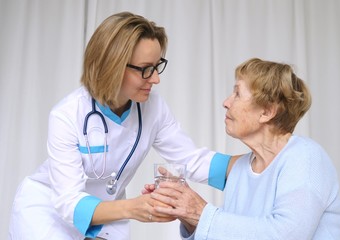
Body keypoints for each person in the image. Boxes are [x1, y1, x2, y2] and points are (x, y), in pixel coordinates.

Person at [8, 12, 234, 240]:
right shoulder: (67, 115)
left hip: (109, 212)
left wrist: (255, 164)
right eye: (146, 68)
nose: (156, 79)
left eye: (157, 66)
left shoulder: (153, 107)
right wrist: (135, 207)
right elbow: (68, 202)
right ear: (112, 65)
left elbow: (191, 160)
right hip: (49, 214)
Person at [151, 58, 340, 239]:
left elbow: (287, 234)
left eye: (237, 93)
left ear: (266, 112)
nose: (226, 102)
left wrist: (200, 214)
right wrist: (189, 217)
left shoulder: (305, 157)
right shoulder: (241, 169)